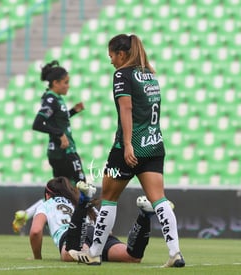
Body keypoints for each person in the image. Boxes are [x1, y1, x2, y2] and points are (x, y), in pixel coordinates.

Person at [68, 34, 185, 267]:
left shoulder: (122, 74)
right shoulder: (150, 74)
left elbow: (126, 107)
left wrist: (129, 144)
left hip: (128, 148)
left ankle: (93, 253)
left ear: (121, 54)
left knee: (109, 198)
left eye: (111, 55)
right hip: (154, 145)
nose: (111, 60)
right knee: (159, 200)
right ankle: (175, 253)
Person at [29, 176, 156, 263]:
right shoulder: (76, 201)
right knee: (131, 257)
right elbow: (107, 229)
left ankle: (84, 201)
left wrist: (37, 257)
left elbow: (35, 231)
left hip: (72, 234)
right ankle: (144, 216)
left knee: (72, 254)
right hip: (97, 233)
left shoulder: (46, 204)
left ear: (47, 194)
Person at [32, 60, 86, 185]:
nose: (68, 86)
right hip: (64, 151)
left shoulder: (56, 98)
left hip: (59, 152)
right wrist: (60, 134)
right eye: (66, 82)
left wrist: (73, 111)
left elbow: (57, 120)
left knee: (64, 189)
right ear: (55, 83)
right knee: (81, 187)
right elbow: (38, 124)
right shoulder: (51, 99)